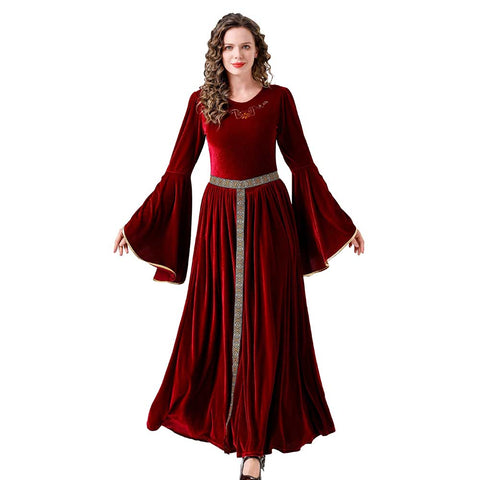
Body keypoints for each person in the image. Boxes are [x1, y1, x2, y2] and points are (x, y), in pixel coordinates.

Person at [113, 12, 365, 480]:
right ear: (218, 53)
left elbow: (302, 165)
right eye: (229, 47)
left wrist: (340, 222)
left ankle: (254, 446)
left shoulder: (278, 99)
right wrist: (137, 225)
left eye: (245, 45)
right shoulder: (201, 102)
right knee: (221, 322)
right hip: (218, 223)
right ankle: (228, 422)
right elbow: (177, 170)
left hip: (271, 220)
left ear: (257, 51)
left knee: (266, 325)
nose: (237, 54)